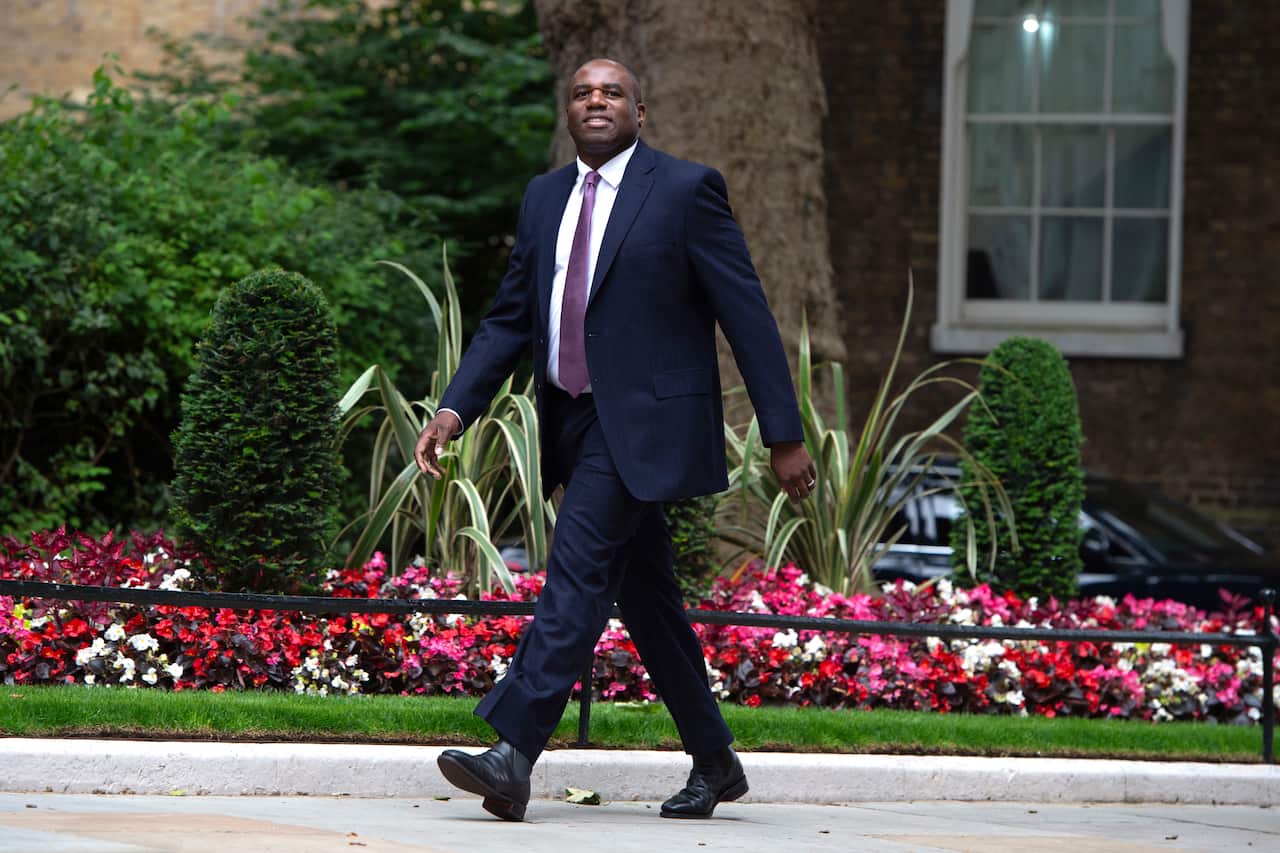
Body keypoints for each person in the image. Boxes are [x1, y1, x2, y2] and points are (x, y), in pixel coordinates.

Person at [413, 57, 816, 822]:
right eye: (582, 93)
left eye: (613, 92)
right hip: (571, 417)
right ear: (569, 113)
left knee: (576, 569)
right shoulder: (544, 198)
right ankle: (716, 759)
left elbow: (747, 313)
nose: (596, 101)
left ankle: (513, 752)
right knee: (650, 602)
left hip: (645, 423)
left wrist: (782, 433)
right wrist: (454, 409)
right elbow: (508, 320)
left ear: (641, 109)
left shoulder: (686, 189)